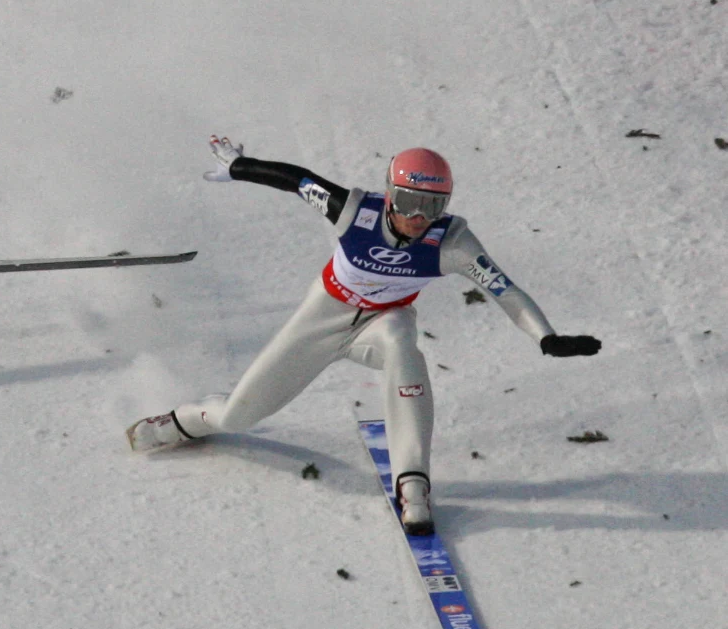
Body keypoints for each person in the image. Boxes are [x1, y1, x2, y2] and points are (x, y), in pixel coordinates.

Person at [126, 136, 601, 535]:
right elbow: (299, 181)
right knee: (237, 416)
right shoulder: (354, 212)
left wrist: (546, 337)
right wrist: (240, 165)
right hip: (322, 319)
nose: (419, 217)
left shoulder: (452, 241)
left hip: (380, 324)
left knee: (400, 338)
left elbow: (504, 290)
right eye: (411, 202)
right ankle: (186, 420)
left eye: (432, 206)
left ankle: (412, 482)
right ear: (391, 195)